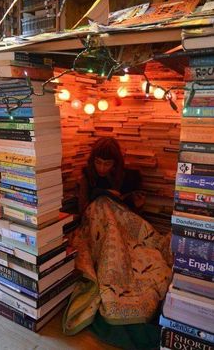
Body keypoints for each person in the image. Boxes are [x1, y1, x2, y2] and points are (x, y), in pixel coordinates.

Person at [63, 137, 172, 345]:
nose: (102, 167)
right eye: (99, 162)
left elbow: (127, 213)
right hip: (96, 224)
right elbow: (84, 209)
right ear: (93, 161)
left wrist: (136, 204)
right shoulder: (87, 177)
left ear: (115, 163)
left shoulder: (127, 177)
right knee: (102, 205)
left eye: (107, 163)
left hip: (122, 224)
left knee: (145, 254)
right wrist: (102, 195)